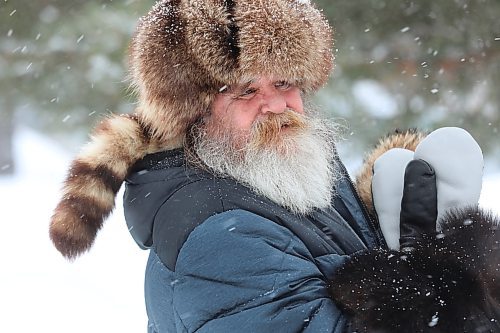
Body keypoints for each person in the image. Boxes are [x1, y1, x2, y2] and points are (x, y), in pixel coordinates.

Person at [49, 0, 500, 332]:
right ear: (194, 113)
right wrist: (450, 302)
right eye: (244, 91)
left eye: (285, 82)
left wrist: (432, 248)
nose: (276, 106)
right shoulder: (220, 233)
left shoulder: (283, 167)